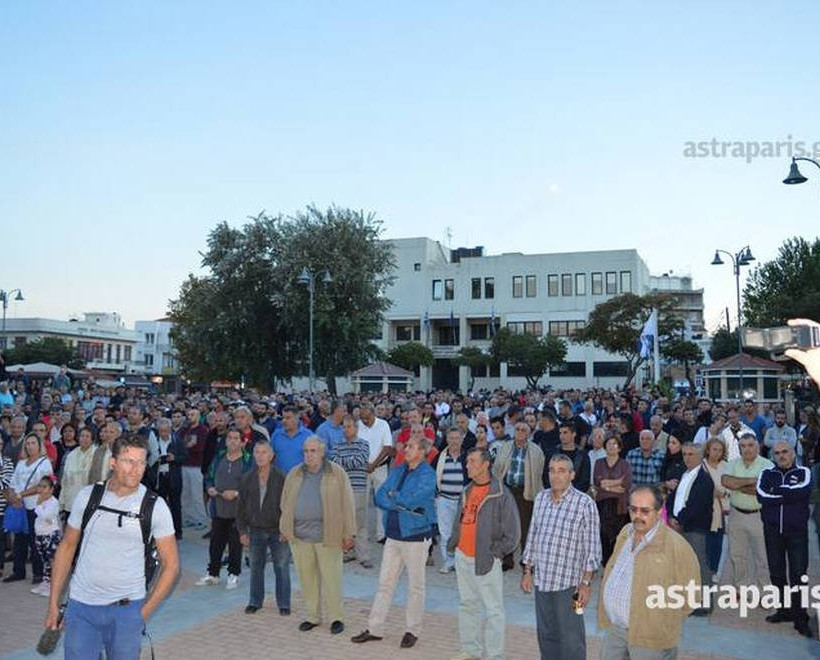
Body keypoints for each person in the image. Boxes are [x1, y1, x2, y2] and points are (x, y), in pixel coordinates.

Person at [44, 434, 179, 659]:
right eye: (128, 461)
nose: (136, 469)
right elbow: (66, 548)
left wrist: (143, 613)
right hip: (81, 607)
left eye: (141, 462)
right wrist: (53, 604)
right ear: (113, 463)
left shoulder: (155, 506)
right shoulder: (87, 497)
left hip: (127, 610)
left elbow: (172, 566)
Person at [351, 434, 437, 649]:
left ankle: (412, 630)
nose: (405, 449)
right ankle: (375, 629)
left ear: (422, 451)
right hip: (393, 535)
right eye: (406, 445)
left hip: (415, 537)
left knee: (415, 587)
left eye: (411, 446)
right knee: (384, 584)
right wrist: (397, 499)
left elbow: (413, 498)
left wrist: (395, 497)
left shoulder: (428, 474)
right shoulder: (398, 470)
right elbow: (380, 496)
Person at [598, 485, 701, 659]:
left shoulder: (676, 546)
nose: (638, 516)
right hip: (616, 630)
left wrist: (660, 623)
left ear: (660, 511)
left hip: (650, 638)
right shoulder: (625, 533)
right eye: (633, 510)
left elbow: (692, 596)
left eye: (645, 511)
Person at [521, 454, 601, 660]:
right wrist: (528, 571)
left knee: (572, 638)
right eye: (552, 470)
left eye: (561, 471)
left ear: (572, 475)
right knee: (546, 635)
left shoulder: (585, 504)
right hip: (543, 583)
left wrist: (585, 584)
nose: (555, 476)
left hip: (571, 587)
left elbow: (592, 549)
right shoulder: (540, 498)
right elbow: (533, 535)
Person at [447, 447, 520, 660]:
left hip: (486, 560)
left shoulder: (500, 493)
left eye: (471, 461)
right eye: (467, 461)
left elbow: (513, 534)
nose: (467, 465)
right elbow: (459, 520)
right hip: (463, 557)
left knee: (493, 610)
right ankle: (471, 650)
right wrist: (455, 543)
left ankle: (495, 655)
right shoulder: (467, 490)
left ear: (485, 464)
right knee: (467, 605)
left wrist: (494, 553)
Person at [280, 436, 356, 635]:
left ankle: (336, 618)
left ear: (322, 452)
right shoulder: (294, 473)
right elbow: (285, 503)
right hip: (300, 537)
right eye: (306, 451)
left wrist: (349, 533)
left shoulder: (336, 473)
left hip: (328, 536)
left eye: (313, 451)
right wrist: (285, 528)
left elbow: (348, 505)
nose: (309, 455)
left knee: (332, 580)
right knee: (307, 579)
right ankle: (312, 617)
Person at [756, 441, 812, 637]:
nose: (781, 455)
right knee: (777, 573)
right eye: (777, 453)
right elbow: (761, 496)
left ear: (793, 453)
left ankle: (800, 616)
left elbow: (802, 492)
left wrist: (777, 492)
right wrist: (787, 494)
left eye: (785, 452)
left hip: (797, 532)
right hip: (772, 532)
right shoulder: (766, 474)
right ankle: (784, 609)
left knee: (798, 574)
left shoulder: (804, 472)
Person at [236, 440, 291, 615]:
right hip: (255, 530)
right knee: (255, 567)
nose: (260, 456)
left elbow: (289, 506)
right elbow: (241, 507)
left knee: (281, 566)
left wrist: (286, 529)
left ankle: (283, 603)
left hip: (277, 530)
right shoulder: (247, 478)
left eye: (264, 452)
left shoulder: (282, 477)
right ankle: (255, 601)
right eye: (257, 452)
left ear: (271, 455)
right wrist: (243, 531)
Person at [196, 428, 252, 589]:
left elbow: (252, 485)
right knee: (216, 543)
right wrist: (210, 487)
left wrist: (236, 493)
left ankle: (233, 574)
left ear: (242, 442)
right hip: (219, 508)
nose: (232, 441)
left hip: (238, 510)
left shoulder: (247, 460)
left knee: (235, 543)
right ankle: (213, 574)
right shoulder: (219, 457)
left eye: (236, 438)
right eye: (230, 438)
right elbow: (208, 476)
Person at [721, 432, 772, 588]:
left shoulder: (768, 465)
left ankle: (764, 590)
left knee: (763, 556)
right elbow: (726, 482)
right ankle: (741, 588)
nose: (747, 449)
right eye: (743, 446)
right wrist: (752, 481)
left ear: (757, 446)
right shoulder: (732, 463)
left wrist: (738, 484)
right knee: (737, 555)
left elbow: (761, 489)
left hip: (760, 516)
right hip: (736, 514)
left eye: (750, 445)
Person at [667, 443, 713, 615]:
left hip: (695, 527)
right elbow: (673, 497)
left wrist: (679, 519)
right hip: (678, 525)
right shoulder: (683, 474)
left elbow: (696, 505)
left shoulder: (704, 479)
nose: (687, 457)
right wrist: (671, 516)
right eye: (685, 454)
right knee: (682, 565)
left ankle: (704, 603)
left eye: (691, 454)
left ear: (701, 456)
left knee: (700, 564)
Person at [493, 421, 544, 570]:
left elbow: (539, 473)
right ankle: (507, 560)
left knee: (526, 527)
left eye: (523, 430)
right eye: (517, 429)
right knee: (506, 527)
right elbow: (497, 468)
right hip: (507, 491)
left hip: (526, 492)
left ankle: (526, 560)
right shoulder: (505, 447)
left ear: (529, 433)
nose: (520, 432)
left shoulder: (536, 451)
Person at [4, 433, 53, 584]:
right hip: (20, 507)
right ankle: (18, 571)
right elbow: (11, 484)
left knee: (35, 541)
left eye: (33, 443)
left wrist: (20, 495)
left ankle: (38, 573)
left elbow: (42, 486)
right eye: (28, 443)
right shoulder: (21, 463)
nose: (30, 446)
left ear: (39, 445)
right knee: (19, 540)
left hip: (36, 507)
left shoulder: (45, 463)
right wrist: (14, 498)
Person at [329, 414, 372, 567]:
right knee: (342, 523)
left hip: (358, 488)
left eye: (349, 426)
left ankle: (364, 555)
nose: (346, 429)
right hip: (340, 490)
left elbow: (360, 461)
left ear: (356, 428)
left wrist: (343, 463)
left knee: (360, 523)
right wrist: (348, 462)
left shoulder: (364, 444)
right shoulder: (336, 445)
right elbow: (333, 462)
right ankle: (347, 552)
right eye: (344, 426)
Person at [434, 426, 469, 574]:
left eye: (457, 438)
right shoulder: (440, 457)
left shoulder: (467, 456)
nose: (454, 441)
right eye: (451, 438)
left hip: (464, 501)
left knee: (463, 532)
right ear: (447, 439)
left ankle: (461, 563)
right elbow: (432, 476)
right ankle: (448, 562)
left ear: (462, 439)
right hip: (444, 500)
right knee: (445, 531)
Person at [358, 402, 394, 543]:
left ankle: (382, 533)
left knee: (382, 501)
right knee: (362, 502)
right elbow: (356, 444)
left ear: (373, 414)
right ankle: (362, 534)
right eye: (362, 418)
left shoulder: (383, 425)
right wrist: (364, 463)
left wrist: (373, 464)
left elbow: (387, 448)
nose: (365, 421)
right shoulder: (359, 425)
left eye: (367, 418)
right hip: (362, 468)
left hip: (380, 468)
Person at [593, 436, 632, 566]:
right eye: (609, 443)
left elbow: (625, 484)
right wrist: (617, 483)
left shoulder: (625, 464)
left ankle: (616, 563)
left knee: (618, 535)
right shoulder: (599, 463)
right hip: (603, 503)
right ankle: (606, 563)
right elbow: (599, 482)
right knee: (603, 533)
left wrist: (608, 486)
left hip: (620, 504)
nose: (611, 446)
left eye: (615, 444)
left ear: (620, 447)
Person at [152, 417, 188, 539]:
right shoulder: (155, 441)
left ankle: (178, 531)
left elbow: (185, 456)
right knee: (159, 505)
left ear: (170, 430)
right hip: (159, 478)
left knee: (175, 505)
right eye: (161, 431)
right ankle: (160, 530)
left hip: (173, 477)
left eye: (166, 431)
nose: (163, 434)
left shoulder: (177, 440)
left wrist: (175, 458)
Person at [702, 437, 730, 578]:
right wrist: (709, 492)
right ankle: (707, 569)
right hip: (706, 509)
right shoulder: (701, 466)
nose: (717, 453)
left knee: (719, 540)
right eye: (714, 449)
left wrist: (723, 492)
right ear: (708, 450)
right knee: (707, 539)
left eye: (720, 450)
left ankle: (715, 570)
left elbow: (732, 486)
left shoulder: (726, 466)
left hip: (723, 509)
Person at [31, 476, 61, 596]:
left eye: (44, 487)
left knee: (52, 560)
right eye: (40, 486)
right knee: (45, 561)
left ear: (51, 489)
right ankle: (46, 582)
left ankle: (53, 586)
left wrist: (38, 505)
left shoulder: (54, 502)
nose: (41, 489)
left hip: (50, 535)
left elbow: (45, 516)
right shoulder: (38, 499)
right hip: (40, 534)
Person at [58, 426, 95, 519]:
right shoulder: (71, 455)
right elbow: (65, 480)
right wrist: (62, 503)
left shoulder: (97, 454)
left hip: (89, 500)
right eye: (82, 436)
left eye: (87, 436)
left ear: (92, 439)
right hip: (71, 500)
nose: (84, 439)